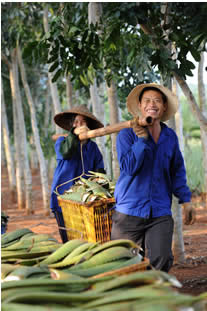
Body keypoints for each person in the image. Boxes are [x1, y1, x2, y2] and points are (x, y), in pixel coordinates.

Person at [111, 83, 195, 272]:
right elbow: (130, 168)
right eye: (147, 100)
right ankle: (134, 297)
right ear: (140, 106)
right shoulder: (126, 135)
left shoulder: (169, 137)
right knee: (124, 264)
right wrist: (141, 140)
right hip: (129, 211)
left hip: (159, 211)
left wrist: (186, 200)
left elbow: (177, 171)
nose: (152, 104)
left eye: (157, 101)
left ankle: (156, 293)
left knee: (162, 258)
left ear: (164, 107)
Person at [50, 105, 105, 243]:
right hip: (63, 197)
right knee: (69, 239)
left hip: (85, 200)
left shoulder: (93, 148)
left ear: (89, 126)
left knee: (87, 238)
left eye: (83, 122)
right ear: (71, 127)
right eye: (76, 122)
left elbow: (99, 173)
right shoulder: (61, 142)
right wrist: (74, 135)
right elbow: (66, 153)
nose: (79, 125)